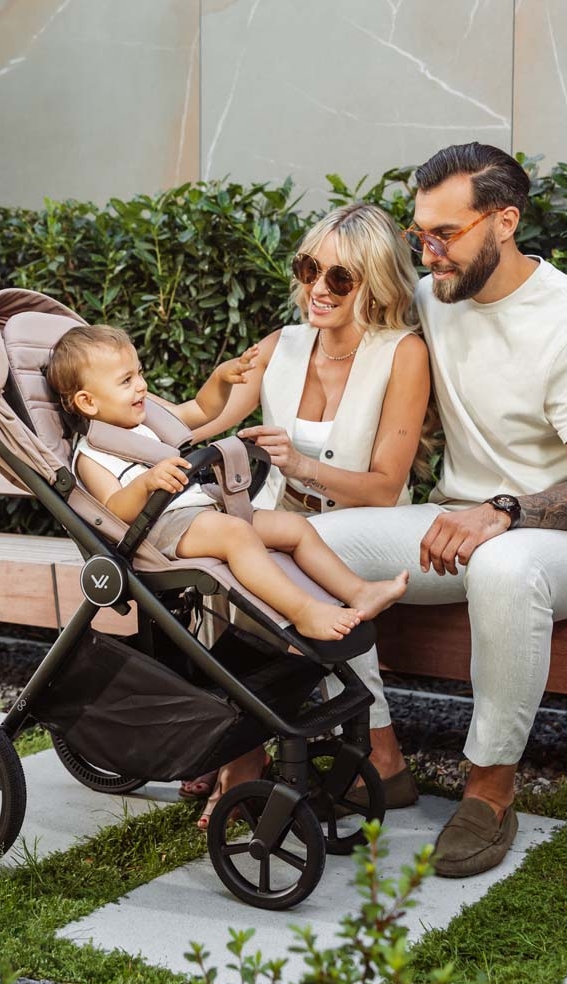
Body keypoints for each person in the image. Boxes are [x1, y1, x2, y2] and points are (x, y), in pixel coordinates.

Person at [309, 142, 567, 877]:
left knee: (506, 567)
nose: (429, 253)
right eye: (419, 234)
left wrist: (503, 511)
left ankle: (489, 791)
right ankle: (379, 758)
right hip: (455, 523)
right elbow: (327, 329)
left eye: (445, 234)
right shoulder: (434, 296)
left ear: (505, 222)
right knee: (308, 543)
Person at [188, 202, 431, 818]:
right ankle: (244, 747)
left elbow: (384, 487)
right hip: (282, 526)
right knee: (232, 557)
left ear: (376, 283)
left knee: (288, 563)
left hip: (366, 525)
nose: (318, 288)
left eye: (340, 277)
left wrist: (299, 465)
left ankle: (250, 754)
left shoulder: (402, 354)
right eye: (308, 269)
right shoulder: (281, 345)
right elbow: (202, 422)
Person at [45, 323, 409, 645]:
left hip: (201, 509)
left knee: (293, 527)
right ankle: (304, 612)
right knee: (237, 535)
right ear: (87, 402)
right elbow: (113, 508)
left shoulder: (145, 421)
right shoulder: (91, 454)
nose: (141, 385)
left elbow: (201, 410)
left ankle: (358, 591)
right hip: (159, 529)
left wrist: (220, 379)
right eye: (126, 381)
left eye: (139, 373)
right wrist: (145, 484)